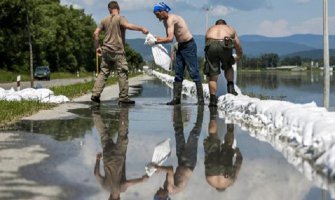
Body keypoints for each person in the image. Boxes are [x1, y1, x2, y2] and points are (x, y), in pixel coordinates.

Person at [91, 1, 149, 105]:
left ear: (109, 10)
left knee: (103, 72)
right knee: (122, 73)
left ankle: (95, 95)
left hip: (106, 51)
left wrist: (97, 47)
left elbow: (95, 33)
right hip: (118, 51)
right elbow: (128, 25)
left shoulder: (104, 20)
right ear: (118, 8)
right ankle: (123, 99)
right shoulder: (120, 18)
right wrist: (141, 28)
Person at [150, 2, 204, 105]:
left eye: (157, 15)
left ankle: (201, 100)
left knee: (193, 72)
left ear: (163, 11)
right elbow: (168, 37)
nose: (157, 18)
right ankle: (176, 99)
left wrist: (157, 41)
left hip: (189, 46)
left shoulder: (172, 19)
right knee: (178, 73)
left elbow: (170, 39)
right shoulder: (165, 22)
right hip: (180, 46)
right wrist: (156, 39)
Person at [92, 105, 149, 200]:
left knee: (123, 133)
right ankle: (95, 113)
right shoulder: (105, 187)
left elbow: (128, 183)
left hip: (119, 155)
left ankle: (124, 108)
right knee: (103, 133)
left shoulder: (120, 190)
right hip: (107, 155)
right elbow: (96, 174)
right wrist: (98, 159)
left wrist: (142, 180)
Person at [153, 105, 204, 199]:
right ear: (163, 197)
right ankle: (201, 109)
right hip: (189, 163)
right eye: (157, 194)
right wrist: (158, 168)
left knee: (178, 132)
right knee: (194, 134)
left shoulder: (166, 187)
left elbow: (169, 173)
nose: (156, 192)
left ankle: (177, 106)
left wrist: (158, 169)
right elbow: (170, 170)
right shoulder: (170, 189)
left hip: (181, 162)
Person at [204, 19, 243, 107]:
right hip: (225, 43)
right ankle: (231, 89)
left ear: (216, 24)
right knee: (228, 66)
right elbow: (237, 45)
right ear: (225, 24)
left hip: (211, 44)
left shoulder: (210, 28)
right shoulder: (229, 28)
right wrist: (239, 56)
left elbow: (206, 43)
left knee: (213, 74)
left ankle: (213, 100)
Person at [203, 108, 243, 191]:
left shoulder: (229, 183)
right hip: (212, 171)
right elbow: (206, 163)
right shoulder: (210, 183)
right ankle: (213, 116)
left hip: (226, 173)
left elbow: (238, 164)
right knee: (212, 136)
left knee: (228, 145)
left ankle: (230, 127)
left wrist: (237, 153)